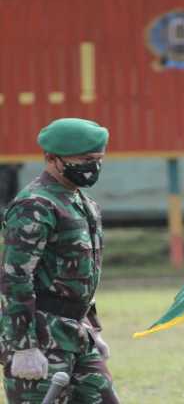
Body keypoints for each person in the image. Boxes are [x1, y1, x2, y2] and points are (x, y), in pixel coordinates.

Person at [0, 118, 119, 403]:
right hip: (41, 337)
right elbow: (15, 277)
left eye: (98, 159)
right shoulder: (35, 205)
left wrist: (92, 328)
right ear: (52, 159)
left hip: (76, 334)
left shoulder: (83, 203)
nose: (93, 166)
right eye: (85, 159)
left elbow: (78, 276)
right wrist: (22, 347)